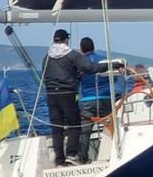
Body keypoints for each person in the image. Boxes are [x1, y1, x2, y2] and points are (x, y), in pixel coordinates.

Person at [41, 29, 114, 167]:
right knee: (74, 125)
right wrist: (114, 65)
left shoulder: (47, 57)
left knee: (57, 128)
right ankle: (71, 155)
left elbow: (45, 76)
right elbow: (91, 68)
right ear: (66, 40)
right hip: (67, 94)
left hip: (51, 95)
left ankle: (59, 160)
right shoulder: (71, 55)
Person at [76, 37, 119, 164]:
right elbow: (114, 79)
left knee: (85, 131)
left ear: (81, 49)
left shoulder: (80, 63)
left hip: (88, 100)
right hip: (105, 98)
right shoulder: (103, 60)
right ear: (93, 47)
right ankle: (114, 153)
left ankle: (83, 158)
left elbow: (76, 80)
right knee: (112, 127)